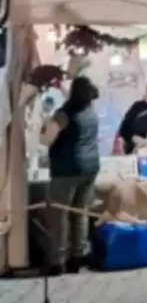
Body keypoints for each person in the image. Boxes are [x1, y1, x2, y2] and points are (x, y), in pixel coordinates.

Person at [42, 76, 100, 275]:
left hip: (67, 169)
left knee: (59, 215)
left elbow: (46, 139)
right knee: (80, 213)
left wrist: (45, 122)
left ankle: (57, 261)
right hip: (90, 167)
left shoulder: (63, 115)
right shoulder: (90, 111)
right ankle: (78, 256)